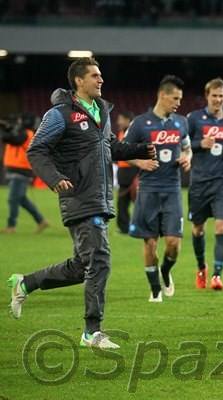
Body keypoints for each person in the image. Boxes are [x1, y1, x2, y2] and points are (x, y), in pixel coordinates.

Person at [7, 57, 155, 349]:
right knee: (99, 261)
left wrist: (139, 150)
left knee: (81, 266)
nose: (101, 80)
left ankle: (26, 283)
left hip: (99, 197)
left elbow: (109, 146)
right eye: (95, 76)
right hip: (78, 196)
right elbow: (36, 150)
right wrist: (54, 178)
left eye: (100, 75)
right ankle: (91, 331)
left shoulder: (101, 110)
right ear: (79, 80)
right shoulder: (59, 114)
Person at [126, 75, 191, 302]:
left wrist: (187, 157)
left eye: (180, 99)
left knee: (173, 243)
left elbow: (187, 148)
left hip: (172, 189)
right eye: (175, 98)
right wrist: (140, 162)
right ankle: (155, 289)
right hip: (148, 190)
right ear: (162, 95)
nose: (178, 103)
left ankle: (165, 270)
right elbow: (121, 151)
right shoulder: (140, 123)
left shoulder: (181, 122)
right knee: (150, 242)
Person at [187, 78, 223, 290]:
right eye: (214, 95)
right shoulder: (194, 118)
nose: (218, 99)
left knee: (221, 225)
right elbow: (183, 143)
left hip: (222, 181)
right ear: (207, 96)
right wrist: (199, 144)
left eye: (221, 96)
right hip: (199, 182)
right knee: (198, 228)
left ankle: (217, 275)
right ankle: (201, 267)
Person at [1, 113, 48, 233]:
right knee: (21, 199)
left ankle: (11, 226)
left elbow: (11, 139)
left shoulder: (25, 134)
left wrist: (6, 129)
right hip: (17, 170)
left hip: (21, 171)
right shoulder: (22, 132)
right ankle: (41, 221)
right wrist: (7, 128)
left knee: (13, 199)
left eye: (20, 120)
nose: (18, 122)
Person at [114, 111, 138, 234]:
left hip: (133, 171)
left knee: (139, 202)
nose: (118, 122)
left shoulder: (135, 133)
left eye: (121, 119)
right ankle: (124, 228)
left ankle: (142, 226)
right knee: (122, 203)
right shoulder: (121, 133)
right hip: (123, 173)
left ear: (128, 120)